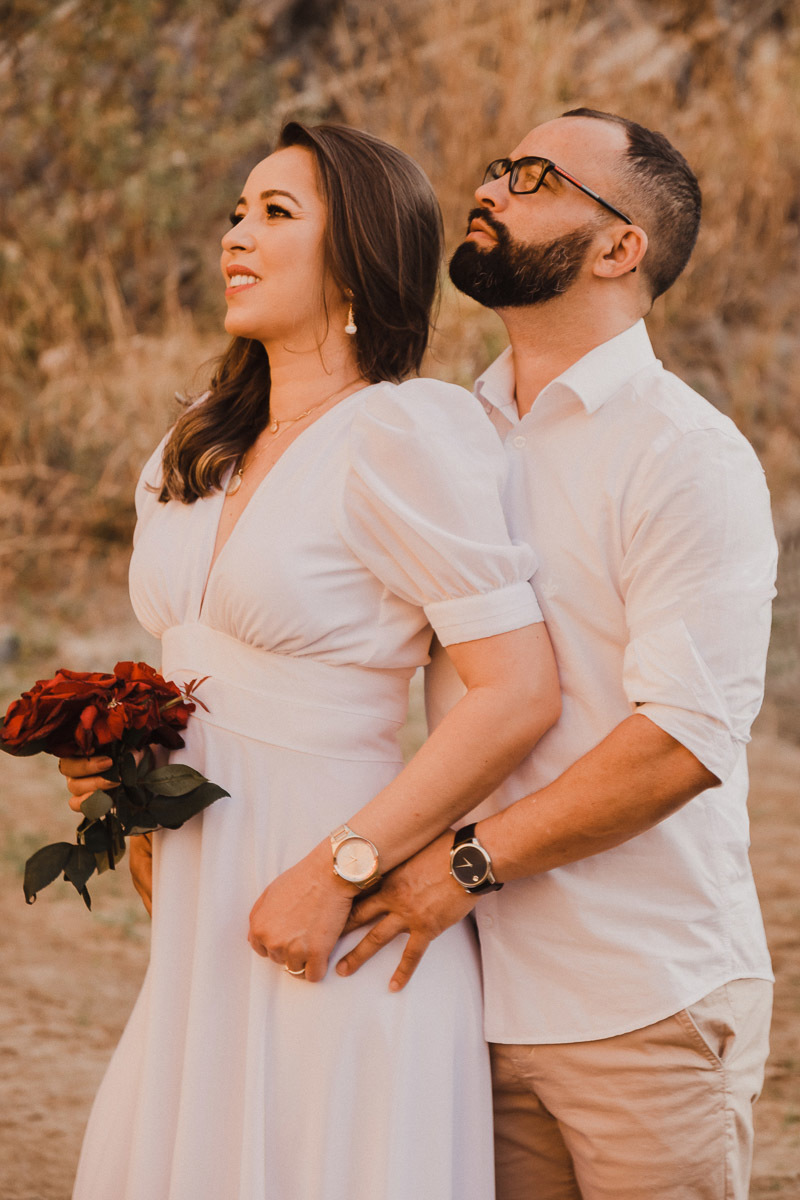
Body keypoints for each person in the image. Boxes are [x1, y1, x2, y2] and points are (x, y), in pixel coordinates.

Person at [60, 122, 561, 1200]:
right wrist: (123, 784)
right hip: (198, 899)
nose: (238, 233)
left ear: (357, 256)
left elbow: (514, 691)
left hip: (335, 899)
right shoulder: (193, 447)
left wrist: (337, 870)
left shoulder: (401, 434)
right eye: (237, 211)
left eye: (277, 213)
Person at [337, 109, 778, 1200]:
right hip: (467, 999)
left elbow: (680, 741)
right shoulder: (445, 434)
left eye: (532, 176)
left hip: (638, 998)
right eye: (494, 166)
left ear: (620, 246)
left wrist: (457, 867)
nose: (490, 185)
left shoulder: (685, 456)